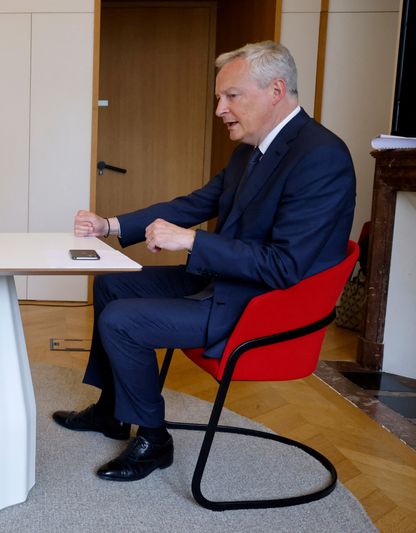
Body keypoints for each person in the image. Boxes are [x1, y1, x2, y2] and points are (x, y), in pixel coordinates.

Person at [53, 41, 356, 482]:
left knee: (122, 320)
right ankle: (111, 412)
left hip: (260, 308)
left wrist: (193, 242)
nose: (220, 109)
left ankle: (154, 441)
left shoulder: (320, 156)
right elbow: (196, 203)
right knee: (110, 284)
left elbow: (285, 266)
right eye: (220, 97)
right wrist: (110, 225)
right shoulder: (249, 151)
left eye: (231, 96)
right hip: (227, 283)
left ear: (276, 90)